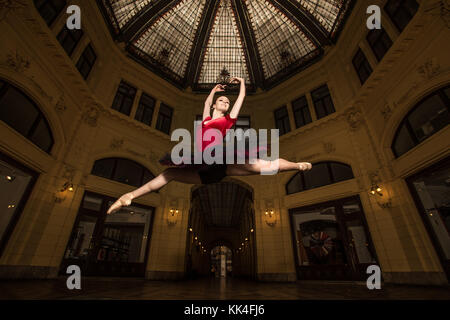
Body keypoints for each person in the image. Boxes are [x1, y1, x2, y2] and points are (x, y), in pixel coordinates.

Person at [107, 77, 312, 214]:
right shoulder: (205, 119)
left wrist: (241, 82)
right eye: (221, 100)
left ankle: (296, 166)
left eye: (226, 102)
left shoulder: (229, 119)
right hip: (206, 169)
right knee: (169, 174)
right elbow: (205, 105)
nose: (225, 102)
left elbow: (240, 97)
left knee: (265, 167)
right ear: (215, 104)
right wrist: (213, 91)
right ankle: (129, 196)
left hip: (220, 160)